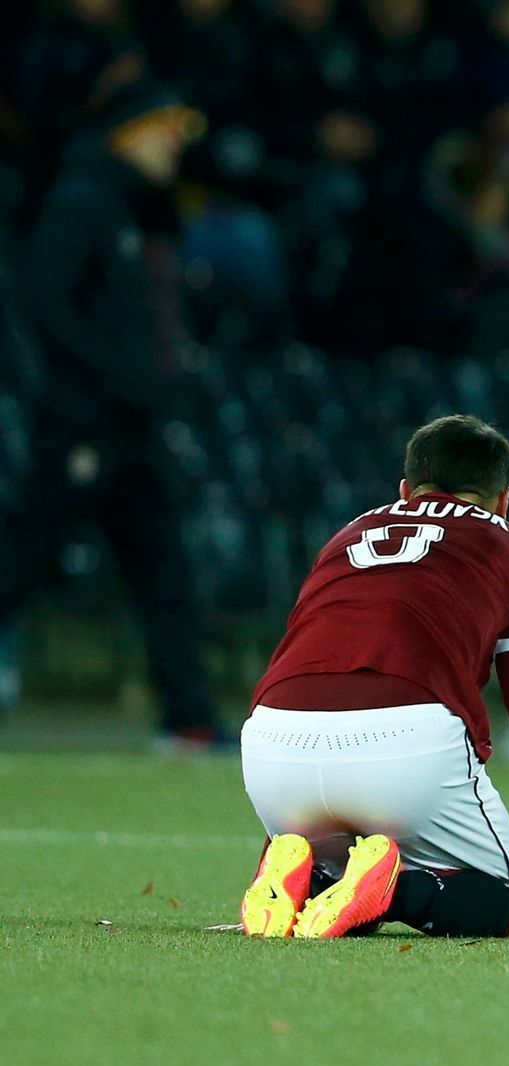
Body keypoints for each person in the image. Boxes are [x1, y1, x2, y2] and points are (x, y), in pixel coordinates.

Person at [238, 415, 509, 942]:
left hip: (271, 746)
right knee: (500, 905)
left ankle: (298, 880)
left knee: (337, 884)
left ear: (404, 490)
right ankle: (394, 893)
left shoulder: (346, 536)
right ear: (503, 499)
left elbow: (304, 663)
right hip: (407, 743)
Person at [0, 81, 227, 749]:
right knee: (23, 559)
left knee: (165, 570)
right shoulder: (84, 202)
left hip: (131, 422)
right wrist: (106, 372)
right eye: (164, 130)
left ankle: (186, 718)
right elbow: (44, 299)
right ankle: (185, 714)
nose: (176, 146)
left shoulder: (134, 209)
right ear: (128, 133)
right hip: (82, 422)